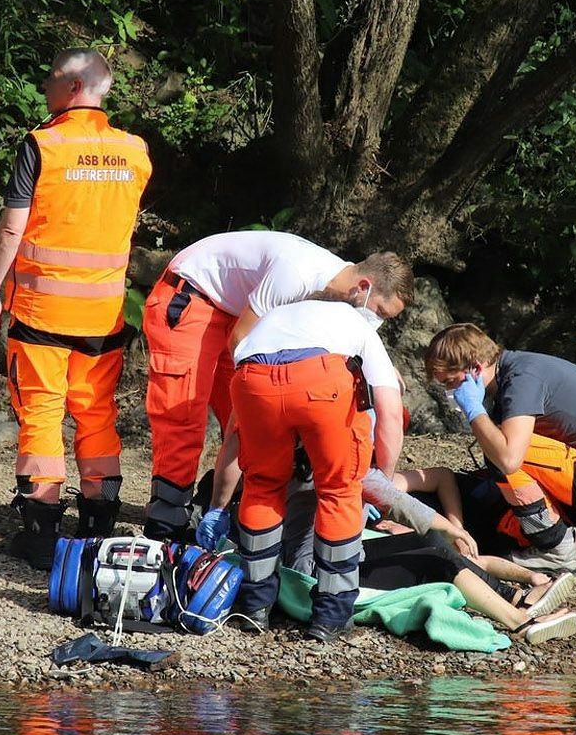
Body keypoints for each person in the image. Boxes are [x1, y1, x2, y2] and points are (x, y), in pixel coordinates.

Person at [0, 49, 152, 567]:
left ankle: (42, 533)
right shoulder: (135, 151)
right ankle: (99, 526)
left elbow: (12, 227)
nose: (44, 90)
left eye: (51, 80)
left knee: (42, 414)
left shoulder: (43, 145)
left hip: (42, 313)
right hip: (103, 315)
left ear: (74, 87)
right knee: (97, 413)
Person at [143, 231, 412, 539]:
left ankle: (231, 508)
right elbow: (241, 341)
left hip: (236, 312)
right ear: (363, 288)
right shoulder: (297, 275)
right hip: (193, 296)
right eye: (380, 313)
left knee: (253, 425)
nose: (377, 321)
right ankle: (166, 524)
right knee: (187, 414)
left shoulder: (339, 288)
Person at [228, 298, 404, 644]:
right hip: (320, 383)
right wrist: (382, 478)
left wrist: (219, 506)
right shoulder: (357, 325)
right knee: (340, 491)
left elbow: (235, 429)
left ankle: (253, 607)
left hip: (251, 380)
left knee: (261, 487)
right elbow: (390, 411)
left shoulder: (278, 316)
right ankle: (331, 614)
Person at [422, 323, 576, 574]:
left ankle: (556, 550)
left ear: (476, 369)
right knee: (505, 513)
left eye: (451, 382)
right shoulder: (510, 377)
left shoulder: (522, 377)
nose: (450, 392)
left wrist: (474, 410)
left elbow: (509, 459)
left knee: (501, 453)